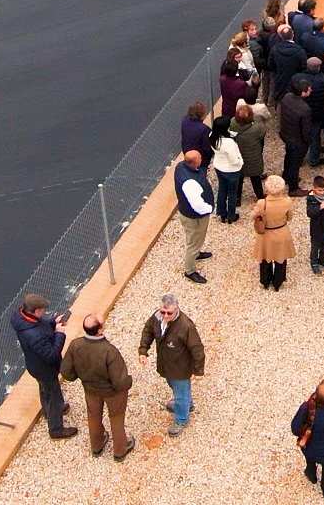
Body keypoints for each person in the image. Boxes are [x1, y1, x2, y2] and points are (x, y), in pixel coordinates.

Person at [60, 313, 133, 460]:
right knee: (116, 418)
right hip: (112, 393)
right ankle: (120, 450)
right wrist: (128, 382)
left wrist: (79, 378)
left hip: (90, 390)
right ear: (100, 330)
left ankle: (97, 445)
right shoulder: (109, 351)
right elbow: (120, 381)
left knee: (93, 417)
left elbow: (66, 371)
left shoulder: (76, 345)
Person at [137, 294, 205, 437]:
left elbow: (197, 348)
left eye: (169, 312)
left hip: (180, 368)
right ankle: (187, 404)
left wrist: (198, 370)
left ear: (176, 309)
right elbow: (148, 331)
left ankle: (181, 418)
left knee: (180, 393)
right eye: (163, 311)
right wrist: (143, 350)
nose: (165, 315)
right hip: (166, 364)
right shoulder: (156, 318)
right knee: (175, 387)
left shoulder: (186, 326)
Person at [11, 294, 77, 440]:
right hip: (45, 369)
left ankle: (48, 412)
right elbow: (52, 354)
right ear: (35, 311)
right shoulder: (34, 335)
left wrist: (53, 322)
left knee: (44, 389)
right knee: (54, 396)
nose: (44, 312)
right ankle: (56, 429)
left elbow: (40, 325)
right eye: (42, 310)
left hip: (35, 366)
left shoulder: (24, 319)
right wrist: (60, 334)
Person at [174, 149, 214, 284]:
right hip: (194, 217)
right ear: (195, 163)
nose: (202, 158)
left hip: (186, 212)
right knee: (193, 242)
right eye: (200, 157)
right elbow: (197, 205)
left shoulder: (180, 167)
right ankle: (189, 270)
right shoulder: (190, 183)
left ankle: (197, 253)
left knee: (194, 239)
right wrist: (209, 209)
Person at [251, 174, 295, 290]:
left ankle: (265, 281)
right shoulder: (287, 201)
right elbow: (290, 217)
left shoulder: (262, 203)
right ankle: (278, 282)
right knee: (281, 259)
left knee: (265, 258)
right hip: (281, 232)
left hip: (266, 234)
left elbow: (252, 216)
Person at [278, 78, 315, 194]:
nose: (311, 90)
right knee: (295, 163)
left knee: (288, 156)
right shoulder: (305, 109)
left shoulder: (287, 97)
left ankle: (286, 175)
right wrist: (307, 142)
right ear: (303, 92)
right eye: (309, 89)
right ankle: (293, 188)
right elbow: (306, 130)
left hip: (286, 134)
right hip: (298, 140)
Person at [229, 100, 268, 210]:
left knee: (239, 178)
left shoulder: (232, 123)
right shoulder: (257, 128)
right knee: (255, 177)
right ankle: (260, 196)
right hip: (253, 157)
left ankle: (237, 199)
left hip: (238, 156)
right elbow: (262, 136)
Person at [210, 117, 244, 224]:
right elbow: (234, 160)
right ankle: (232, 215)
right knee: (232, 192)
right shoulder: (229, 144)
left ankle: (222, 213)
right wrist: (240, 162)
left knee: (222, 189)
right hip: (231, 170)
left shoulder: (212, 136)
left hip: (219, 167)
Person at [268, 25, 307, 102]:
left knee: (280, 102)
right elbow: (304, 68)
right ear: (293, 35)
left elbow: (270, 65)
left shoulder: (275, 49)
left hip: (280, 81)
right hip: (296, 83)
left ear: (281, 37)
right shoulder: (300, 51)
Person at [181, 102, 213, 168]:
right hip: (200, 158)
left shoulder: (184, 121)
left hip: (187, 152)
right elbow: (207, 148)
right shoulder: (204, 129)